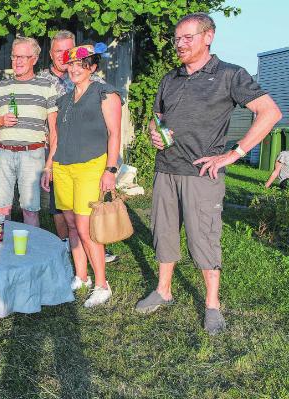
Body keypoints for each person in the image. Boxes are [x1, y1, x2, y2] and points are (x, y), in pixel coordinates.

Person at [135, 13, 281, 334]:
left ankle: (212, 305)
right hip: (166, 169)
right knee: (165, 233)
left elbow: (270, 112)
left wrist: (235, 153)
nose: (180, 44)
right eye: (177, 39)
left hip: (202, 173)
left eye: (188, 37)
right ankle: (164, 290)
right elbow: (156, 118)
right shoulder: (170, 78)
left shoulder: (230, 75)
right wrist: (153, 132)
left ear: (208, 37)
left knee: (204, 239)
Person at [43, 43, 122, 308]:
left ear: (93, 68)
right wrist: (50, 166)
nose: (75, 69)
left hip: (91, 166)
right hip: (63, 166)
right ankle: (82, 276)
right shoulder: (63, 100)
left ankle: (102, 284)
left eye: (82, 65)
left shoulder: (105, 93)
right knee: (72, 226)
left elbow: (114, 134)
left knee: (87, 228)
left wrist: (111, 170)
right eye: (72, 65)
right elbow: (57, 138)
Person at [0, 36, 62, 227]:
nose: (17, 61)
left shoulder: (47, 87)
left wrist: (49, 165)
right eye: (14, 56)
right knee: (1, 210)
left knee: (30, 211)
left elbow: (55, 131)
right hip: (3, 153)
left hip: (33, 154)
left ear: (35, 59)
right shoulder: (0, 87)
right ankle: (1, 254)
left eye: (23, 57)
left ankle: (32, 254)